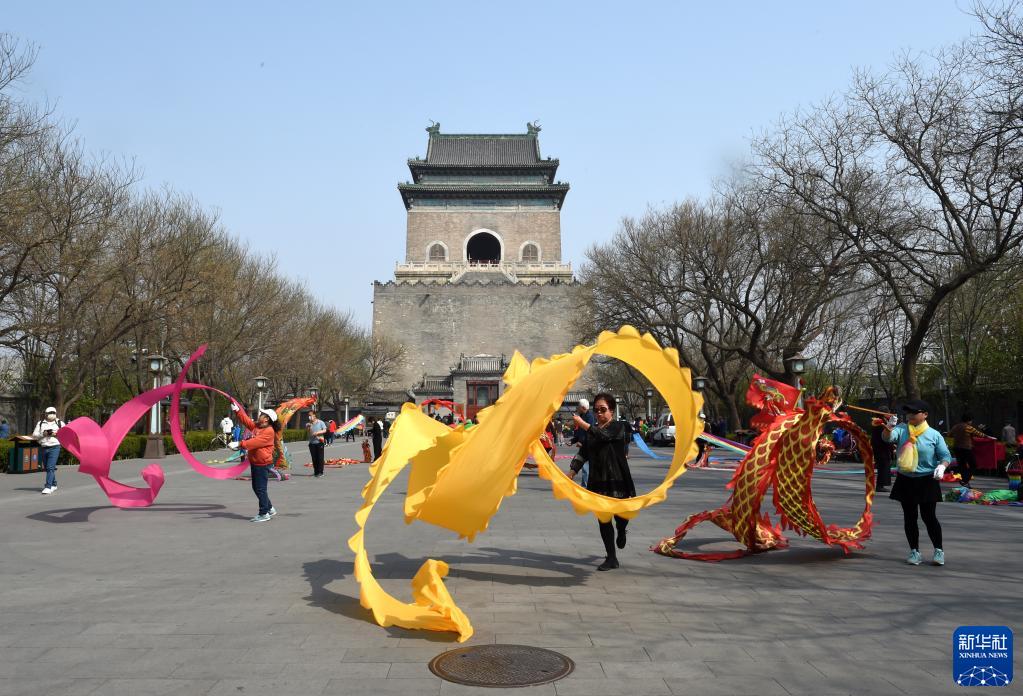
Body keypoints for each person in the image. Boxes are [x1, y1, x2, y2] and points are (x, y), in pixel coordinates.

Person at [568, 393, 636, 571]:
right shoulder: (592, 432)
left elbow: (603, 436)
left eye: (603, 409)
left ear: (611, 411)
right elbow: (583, 453)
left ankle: (621, 529)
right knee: (604, 519)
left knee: (621, 516)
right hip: (598, 481)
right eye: (596, 410)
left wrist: (583, 424)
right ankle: (611, 557)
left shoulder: (618, 427)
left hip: (618, 480)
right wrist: (572, 471)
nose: (599, 413)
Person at [882, 399, 951, 566]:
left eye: (914, 412)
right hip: (906, 479)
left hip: (927, 480)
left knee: (929, 517)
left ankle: (938, 550)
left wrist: (942, 466)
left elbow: (945, 456)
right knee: (910, 517)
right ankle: (914, 551)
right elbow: (887, 438)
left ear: (925, 414)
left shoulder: (934, 434)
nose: (910, 415)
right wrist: (888, 427)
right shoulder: (901, 429)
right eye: (908, 412)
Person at [229, 405, 279, 522]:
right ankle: (269, 508)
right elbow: (247, 421)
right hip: (256, 462)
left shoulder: (269, 431)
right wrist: (237, 410)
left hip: (262, 463)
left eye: (262, 414)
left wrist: (239, 444)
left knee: (260, 488)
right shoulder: (258, 426)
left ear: (266, 419)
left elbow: (255, 442)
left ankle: (264, 513)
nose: (259, 415)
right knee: (257, 488)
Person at [33, 407, 65, 494]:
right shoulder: (40, 423)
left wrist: (56, 434)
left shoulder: (60, 423)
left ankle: (48, 486)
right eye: (50, 413)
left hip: (55, 447)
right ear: (46, 414)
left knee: (50, 467)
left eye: (53, 413)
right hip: (44, 447)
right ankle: (54, 484)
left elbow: (65, 434)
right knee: (48, 468)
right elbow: (35, 435)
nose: (52, 414)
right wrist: (43, 434)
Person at [949, 413, 985, 488]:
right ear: (968, 420)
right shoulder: (968, 427)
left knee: (962, 466)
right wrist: (989, 437)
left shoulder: (956, 426)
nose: (971, 422)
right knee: (973, 465)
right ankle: (965, 480)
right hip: (966, 448)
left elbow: (949, 434)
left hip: (956, 448)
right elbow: (980, 434)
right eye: (971, 420)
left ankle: (965, 483)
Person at [570, 399, 595, 486]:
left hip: (589, 446)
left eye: (578, 406)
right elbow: (580, 432)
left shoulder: (590, 417)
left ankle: (585, 486)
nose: (577, 408)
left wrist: (581, 441)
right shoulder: (582, 416)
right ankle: (584, 485)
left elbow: (589, 431)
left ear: (583, 408)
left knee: (585, 467)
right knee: (575, 465)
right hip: (583, 446)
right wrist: (572, 441)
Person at [870, 413, 894, 492]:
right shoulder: (879, 423)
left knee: (884, 466)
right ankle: (880, 486)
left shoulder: (882, 421)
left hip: (882, 448)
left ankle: (881, 485)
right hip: (881, 448)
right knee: (883, 466)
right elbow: (884, 436)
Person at [307, 410, 327, 477]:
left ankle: (321, 472)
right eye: (309, 415)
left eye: (311, 415)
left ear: (314, 415)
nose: (309, 417)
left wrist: (318, 432)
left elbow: (325, 430)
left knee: (320, 458)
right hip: (312, 443)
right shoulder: (308, 424)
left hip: (319, 442)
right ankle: (316, 472)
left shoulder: (320, 422)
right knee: (314, 458)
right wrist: (309, 427)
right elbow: (309, 433)